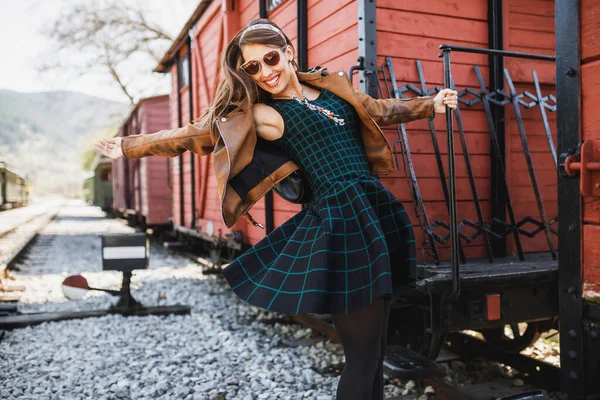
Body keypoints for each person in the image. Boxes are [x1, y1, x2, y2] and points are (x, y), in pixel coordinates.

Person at [96, 19, 457, 400]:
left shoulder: (331, 88)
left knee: (375, 350)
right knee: (362, 358)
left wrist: (429, 105)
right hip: (341, 224)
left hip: (373, 210)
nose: (266, 72)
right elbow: (194, 135)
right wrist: (130, 146)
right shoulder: (261, 114)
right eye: (253, 67)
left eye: (271, 59)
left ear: (288, 52)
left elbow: (379, 110)